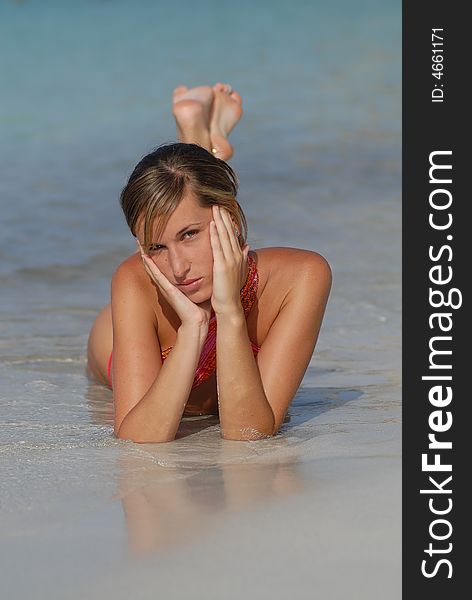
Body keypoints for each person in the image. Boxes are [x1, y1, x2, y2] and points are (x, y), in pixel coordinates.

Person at [87, 82, 332, 443]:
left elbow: (247, 433)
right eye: (155, 246)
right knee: (183, 197)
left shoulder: (303, 277)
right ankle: (199, 143)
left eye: (189, 235)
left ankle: (198, 142)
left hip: (226, 251)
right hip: (108, 342)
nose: (178, 268)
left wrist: (229, 310)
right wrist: (191, 328)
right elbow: (138, 439)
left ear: (230, 219)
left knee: (188, 192)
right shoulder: (134, 279)